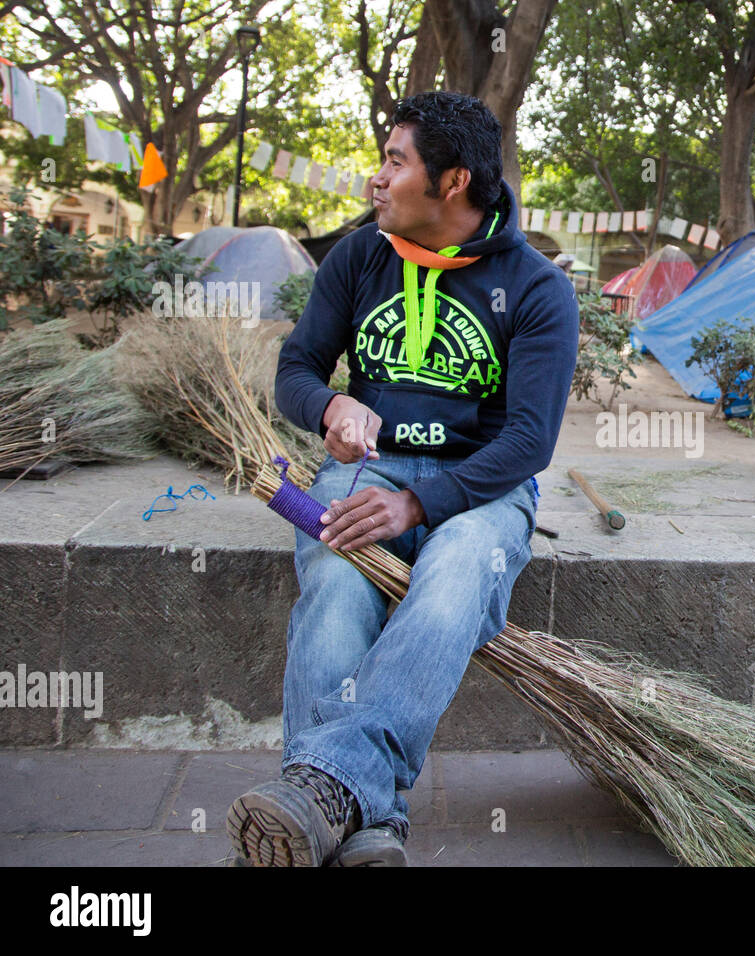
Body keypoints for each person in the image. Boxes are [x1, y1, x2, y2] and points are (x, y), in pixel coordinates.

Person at [226, 91, 579, 866]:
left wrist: (419, 502)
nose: (375, 180)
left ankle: (320, 793)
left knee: (456, 573)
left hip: (482, 488)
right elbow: (296, 369)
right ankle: (369, 821)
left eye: (395, 161)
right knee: (336, 578)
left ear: (451, 182)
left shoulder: (537, 289)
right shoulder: (360, 257)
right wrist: (331, 406)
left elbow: (528, 440)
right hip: (368, 469)